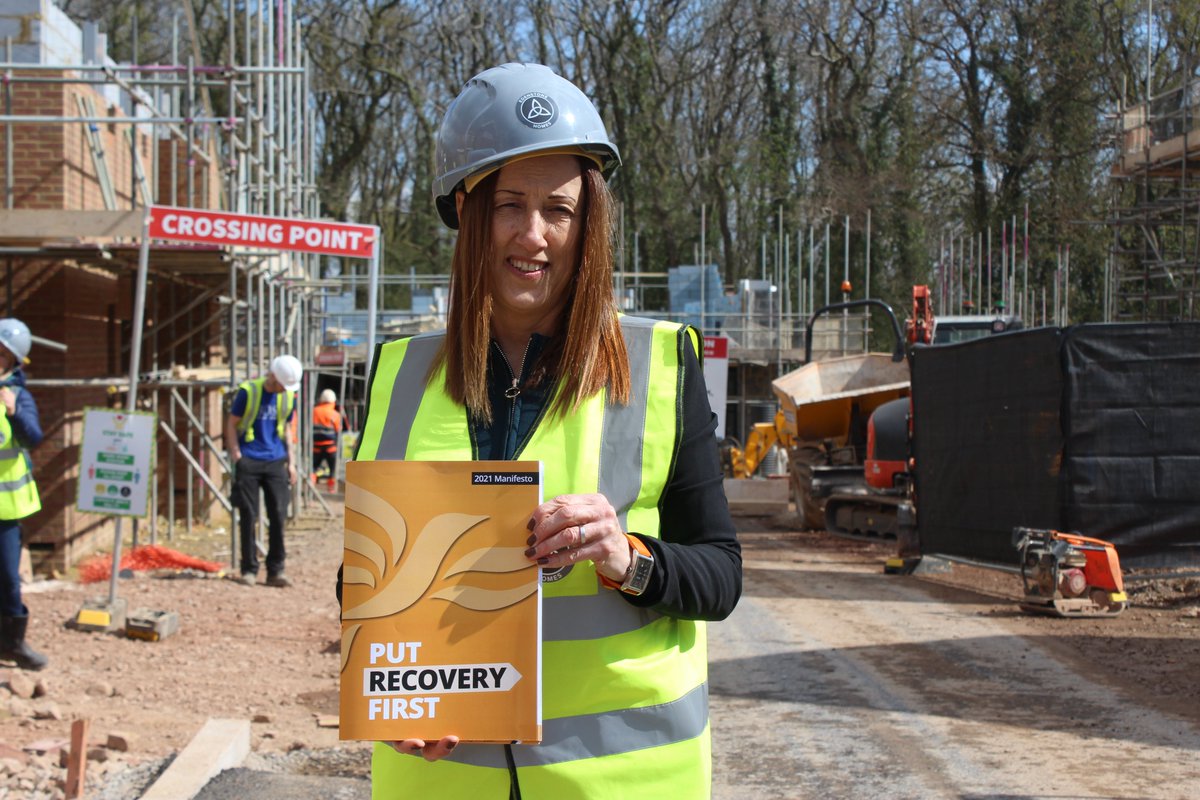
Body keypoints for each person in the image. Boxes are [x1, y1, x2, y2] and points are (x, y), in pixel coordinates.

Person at [351, 62, 741, 798]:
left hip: (620, 783)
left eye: (559, 209)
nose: (534, 235)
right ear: (467, 213)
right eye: (510, 204)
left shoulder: (660, 364)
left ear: (588, 222)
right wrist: (392, 689)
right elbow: (361, 581)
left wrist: (630, 559)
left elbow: (720, 573)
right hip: (438, 783)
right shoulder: (398, 374)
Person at [225, 354, 302, 588]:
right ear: (273, 377)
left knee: (278, 514)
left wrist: (291, 462)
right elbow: (231, 423)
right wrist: (237, 456)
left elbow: (287, 428)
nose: (284, 390)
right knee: (249, 515)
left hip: (275, 460)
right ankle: (248, 569)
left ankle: (275, 571)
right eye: (282, 385)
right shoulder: (249, 392)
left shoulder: (289, 396)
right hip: (249, 459)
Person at [0, 319, 47, 670]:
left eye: (4, 356)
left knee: (8, 578)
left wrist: (13, 412)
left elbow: (33, 437)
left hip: (5, 508)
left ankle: (13, 643)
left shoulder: (19, 395)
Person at [311, 388, 343, 490]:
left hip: (316, 447)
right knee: (332, 470)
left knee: (313, 469)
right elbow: (338, 432)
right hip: (331, 448)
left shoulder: (314, 411)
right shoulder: (335, 414)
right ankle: (331, 491)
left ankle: (311, 490)